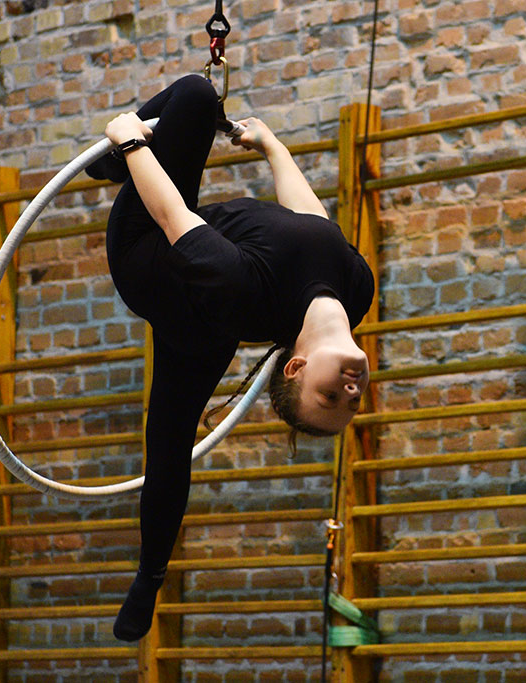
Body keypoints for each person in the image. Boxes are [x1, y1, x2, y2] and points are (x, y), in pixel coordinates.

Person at [87, 74, 375, 641]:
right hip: (203, 272)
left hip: (151, 257)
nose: (349, 391)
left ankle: (150, 574)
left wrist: (129, 143)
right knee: (198, 98)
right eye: (353, 401)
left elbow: (173, 217)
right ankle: (118, 164)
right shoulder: (357, 290)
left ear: (294, 367)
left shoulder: (239, 287)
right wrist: (274, 148)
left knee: (170, 436)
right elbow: (312, 225)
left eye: (327, 398)